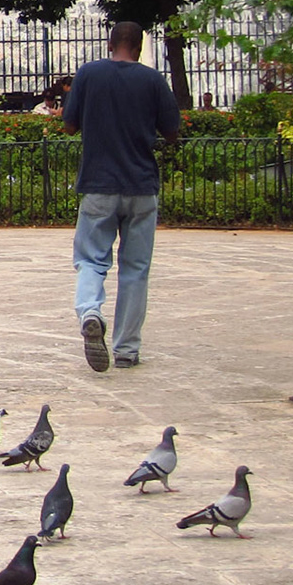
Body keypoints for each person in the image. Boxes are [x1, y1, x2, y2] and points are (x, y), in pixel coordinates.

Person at [62, 23, 180, 372]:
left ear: (110, 43)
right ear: (140, 47)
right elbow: (172, 132)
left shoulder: (89, 74)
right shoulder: (153, 80)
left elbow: (69, 125)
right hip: (141, 187)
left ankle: (90, 312)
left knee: (90, 260)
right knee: (135, 270)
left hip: (98, 184)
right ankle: (127, 349)